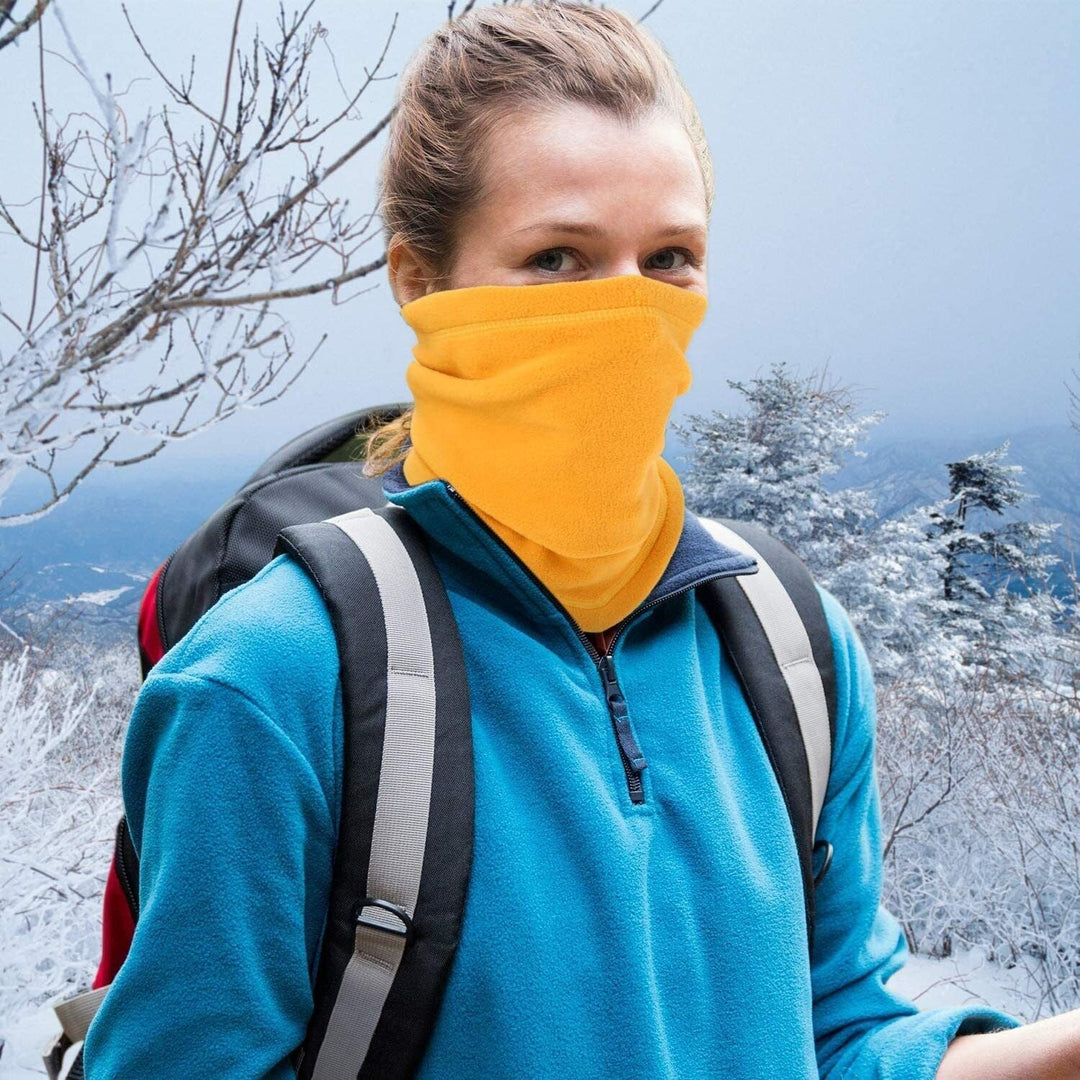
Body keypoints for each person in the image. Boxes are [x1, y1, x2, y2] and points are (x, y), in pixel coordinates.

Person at [83, 3, 1080, 1077]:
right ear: (421, 281)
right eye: (558, 257)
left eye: (669, 259)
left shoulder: (792, 649)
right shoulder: (274, 678)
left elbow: (837, 1031)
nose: (625, 315)